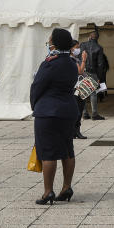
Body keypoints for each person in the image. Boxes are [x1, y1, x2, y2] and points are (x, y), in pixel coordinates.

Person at [30, 28, 79, 205]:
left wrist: (35, 105)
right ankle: (66, 187)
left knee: (48, 152)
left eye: (50, 39)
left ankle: (48, 191)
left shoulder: (49, 63)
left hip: (48, 111)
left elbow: (37, 86)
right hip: (68, 110)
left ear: (55, 43)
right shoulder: (72, 62)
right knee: (67, 150)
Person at [81, 29, 108, 120]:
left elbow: (80, 58)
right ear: (97, 38)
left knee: (83, 92)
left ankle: (84, 113)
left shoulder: (83, 45)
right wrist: (100, 77)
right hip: (93, 72)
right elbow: (100, 64)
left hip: (83, 70)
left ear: (89, 37)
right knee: (93, 93)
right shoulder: (99, 48)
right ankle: (94, 113)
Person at [69, 41, 87, 139]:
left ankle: (76, 131)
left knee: (80, 108)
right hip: (75, 88)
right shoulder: (71, 59)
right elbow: (80, 72)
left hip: (79, 87)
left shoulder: (75, 58)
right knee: (78, 109)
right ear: (71, 48)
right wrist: (84, 60)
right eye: (77, 47)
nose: (78, 49)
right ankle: (74, 131)